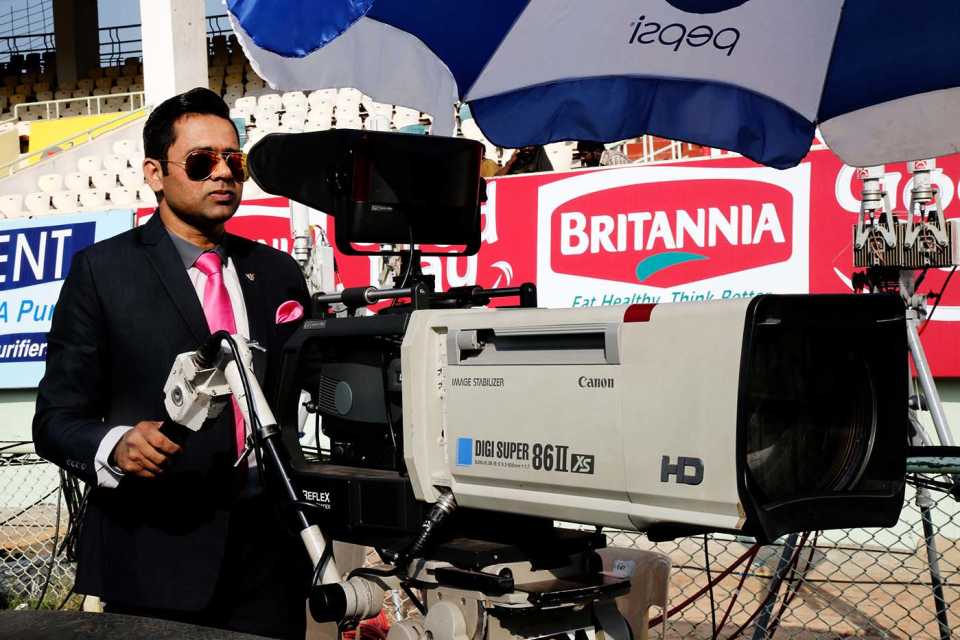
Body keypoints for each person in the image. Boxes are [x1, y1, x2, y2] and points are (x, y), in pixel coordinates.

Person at [33, 87, 311, 639]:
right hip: (153, 560)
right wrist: (114, 445)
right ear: (155, 173)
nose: (223, 175)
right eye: (203, 161)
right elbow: (55, 420)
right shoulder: (103, 272)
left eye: (235, 161)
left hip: (271, 558)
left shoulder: (277, 273)